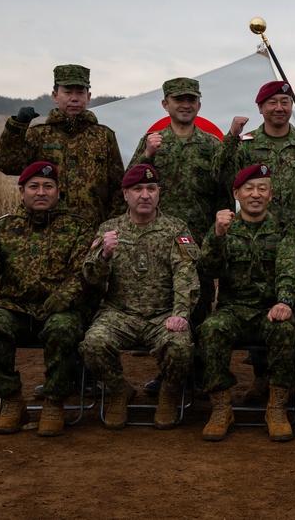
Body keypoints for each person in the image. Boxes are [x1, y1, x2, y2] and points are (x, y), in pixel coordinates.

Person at [218, 80, 295, 399]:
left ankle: (288, 381)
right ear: (260, 108)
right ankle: (261, 377)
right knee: (258, 303)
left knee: (293, 310)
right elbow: (223, 178)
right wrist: (230, 137)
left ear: (291, 106)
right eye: (272, 102)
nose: (279, 108)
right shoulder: (246, 144)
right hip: (256, 243)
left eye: (285, 101)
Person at [0, 162, 92, 436]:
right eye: (34, 187)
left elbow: (86, 271)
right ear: (22, 192)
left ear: (59, 191)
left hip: (59, 309)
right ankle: (11, 401)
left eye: (48, 186)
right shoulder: (6, 227)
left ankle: (55, 403)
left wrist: (65, 297)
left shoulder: (78, 228)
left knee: (64, 329)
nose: (41, 192)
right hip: (15, 309)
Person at [128, 77, 231, 396]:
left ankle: (199, 371)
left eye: (191, 99)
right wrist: (147, 155)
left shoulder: (212, 145)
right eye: (178, 99)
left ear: (199, 104)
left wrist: (220, 236)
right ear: (165, 104)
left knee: (198, 305)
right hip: (158, 239)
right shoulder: (153, 141)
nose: (185, 104)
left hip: (198, 239)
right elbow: (129, 185)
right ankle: (169, 372)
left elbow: (223, 194)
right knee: (163, 304)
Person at [78, 164, 199, 430]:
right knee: (93, 344)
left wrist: (180, 313)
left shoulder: (175, 229)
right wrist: (104, 255)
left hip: (162, 314)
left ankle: (168, 392)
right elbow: (91, 277)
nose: (145, 195)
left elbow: (185, 274)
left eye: (151, 189)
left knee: (180, 346)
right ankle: (118, 390)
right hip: (120, 314)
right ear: (125, 194)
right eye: (137, 189)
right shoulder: (110, 229)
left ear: (159, 193)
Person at [196, 164, 295, 442]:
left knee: (286, 328)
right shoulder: (224, 227)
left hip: (269, 310)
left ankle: (277, 407)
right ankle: (221, 408)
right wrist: (217, 236)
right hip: (233, 310)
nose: (255, 194)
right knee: (211, 329)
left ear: (271, 195)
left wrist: (284, 301)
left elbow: (288, 269)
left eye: (262, 189)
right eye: (249, 189)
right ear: (236, 193)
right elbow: (206, 271)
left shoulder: (283, 229)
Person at [0, 64, 125, 229]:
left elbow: (118, 188)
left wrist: (112, 227)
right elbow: (7, 164)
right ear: (55, 96)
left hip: (92, 230)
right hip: (47, 233)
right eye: (68, 92)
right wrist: (16, 127)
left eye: (80, 93)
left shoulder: (103, 137)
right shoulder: (39, 135)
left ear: (88, 97)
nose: (74, 98)